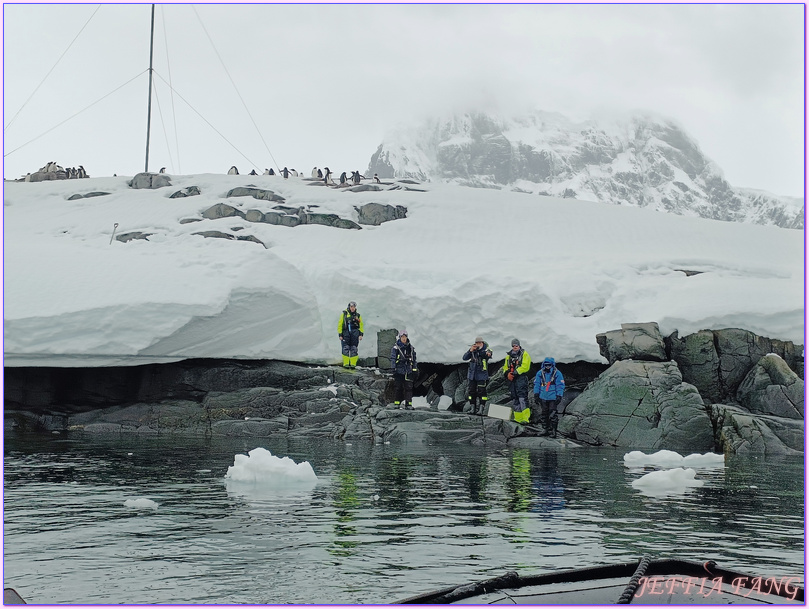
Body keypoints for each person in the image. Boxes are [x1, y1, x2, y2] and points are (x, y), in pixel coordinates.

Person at [502, 338, 532, 424]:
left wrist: (515, 372)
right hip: (512, 379)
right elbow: (505, 367)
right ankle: (518, 418)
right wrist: (507, 374)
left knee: (522, 397)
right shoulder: (509, 356)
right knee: (515, 398)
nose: (515, 347)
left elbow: (525, 366)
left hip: (521, 378)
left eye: (516, 345)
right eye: (513, 346)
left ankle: (526, 418)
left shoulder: (524, 354)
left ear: (519, 346)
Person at [533, 357, 565, 438]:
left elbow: (560, 385)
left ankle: (554, 431)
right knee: (544, 413)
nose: (547, 367)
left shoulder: (557, 373)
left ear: (552, 365)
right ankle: (545, 429)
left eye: (549, 365)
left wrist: (559, 395)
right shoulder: (540, 373)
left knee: (553, 414)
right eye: (546, 365)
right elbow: (537, 384)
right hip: (543, 396)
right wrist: (536, 394)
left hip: (553, 397)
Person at [462, 336, 492, 415]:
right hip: (472, 375)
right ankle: (472, 408)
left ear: (482, 343)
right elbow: (464, 358)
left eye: (479, 343)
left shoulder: (486, 349)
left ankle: (481, 409)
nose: (478, 344)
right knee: (471, 392)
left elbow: (487, 355)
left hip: (482, 374)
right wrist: (470, 350)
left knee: (482, 392)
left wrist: (479, 351)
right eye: (476, 343)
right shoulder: (472, 350)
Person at [391, 329, 418, 409]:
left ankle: (408, 404)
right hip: (399, 370)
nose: (403, 338)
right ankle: (397, 403)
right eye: (402, 337)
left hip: (408, 371)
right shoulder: (396, 348)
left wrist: (414, 369)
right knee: (398, 387)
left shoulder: (411, 348)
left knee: (409, 388)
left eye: (405, 337)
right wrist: (393, 368)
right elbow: (393, 358)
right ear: (399, 337)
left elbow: (414, 360)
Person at [337, 301, 364, 368]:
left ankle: (353, 364)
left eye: (354, 307)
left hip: (355, 334)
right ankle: (346, 363)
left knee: (354, 348)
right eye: (351, 307)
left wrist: (361, 334)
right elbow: (340, 324)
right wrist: (340, 334)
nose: (352, 308)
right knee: (345, 348)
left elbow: (361, 325)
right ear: (349, 307)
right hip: (346, 333)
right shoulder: (344, 314)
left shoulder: (358, 315)